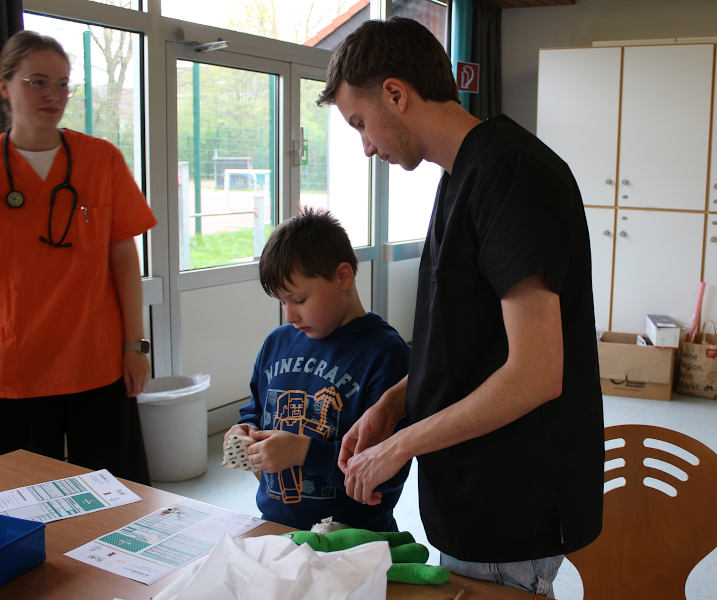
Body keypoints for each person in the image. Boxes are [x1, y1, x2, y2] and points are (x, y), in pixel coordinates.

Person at [317, 17, 605, 597]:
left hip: (512, 497)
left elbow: (536, 373)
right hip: (470, 485)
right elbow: (463, 344)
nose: (366, 145)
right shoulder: (460, 175)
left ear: (396, 94)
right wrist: (392, 406)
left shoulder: (512, 176)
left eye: (361, 124)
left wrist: (401, 446)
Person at [0, 31, 156, 484]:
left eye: (64, 84)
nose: (54, 95)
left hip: (97, 359)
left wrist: (135, 347)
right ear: (5, 85)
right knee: (22, 499)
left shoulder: (101, 160)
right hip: (16, 366)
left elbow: (125, 259)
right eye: (38, 82)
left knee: (118, 494)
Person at [224, 207, 411, 532]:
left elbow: (386, 475)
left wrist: (305, 453)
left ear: (343, 277)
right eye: (282, 302)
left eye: (298, 299)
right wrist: (243, 429)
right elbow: (256, 408)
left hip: (354, 539)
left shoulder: (386, 354)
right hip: (277, 527)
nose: (289, 316)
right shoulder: (277, 343)